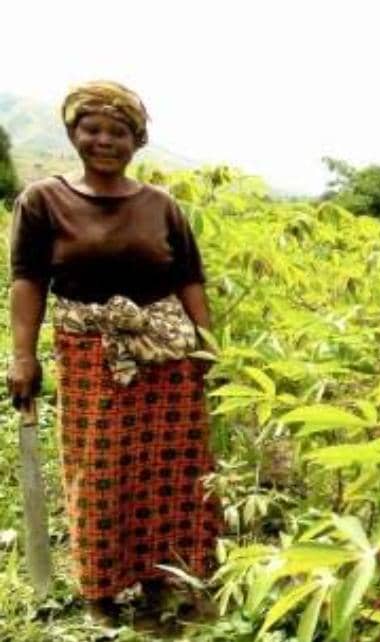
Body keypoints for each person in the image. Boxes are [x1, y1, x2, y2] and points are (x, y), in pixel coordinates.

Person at [5, 81, 220, 619]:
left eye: (118, 131)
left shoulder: (161, 205)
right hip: (90, 355)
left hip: (166, 355)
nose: (105, 140)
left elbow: (189, 279)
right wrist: (23, 355)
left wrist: (208, 349)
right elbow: (28, 281)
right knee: (99, 472)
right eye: (92, 129)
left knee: (171, 473)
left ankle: (160, 580)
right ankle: (101, 592)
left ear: (137, 140)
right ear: (73, 134)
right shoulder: (44, 201)